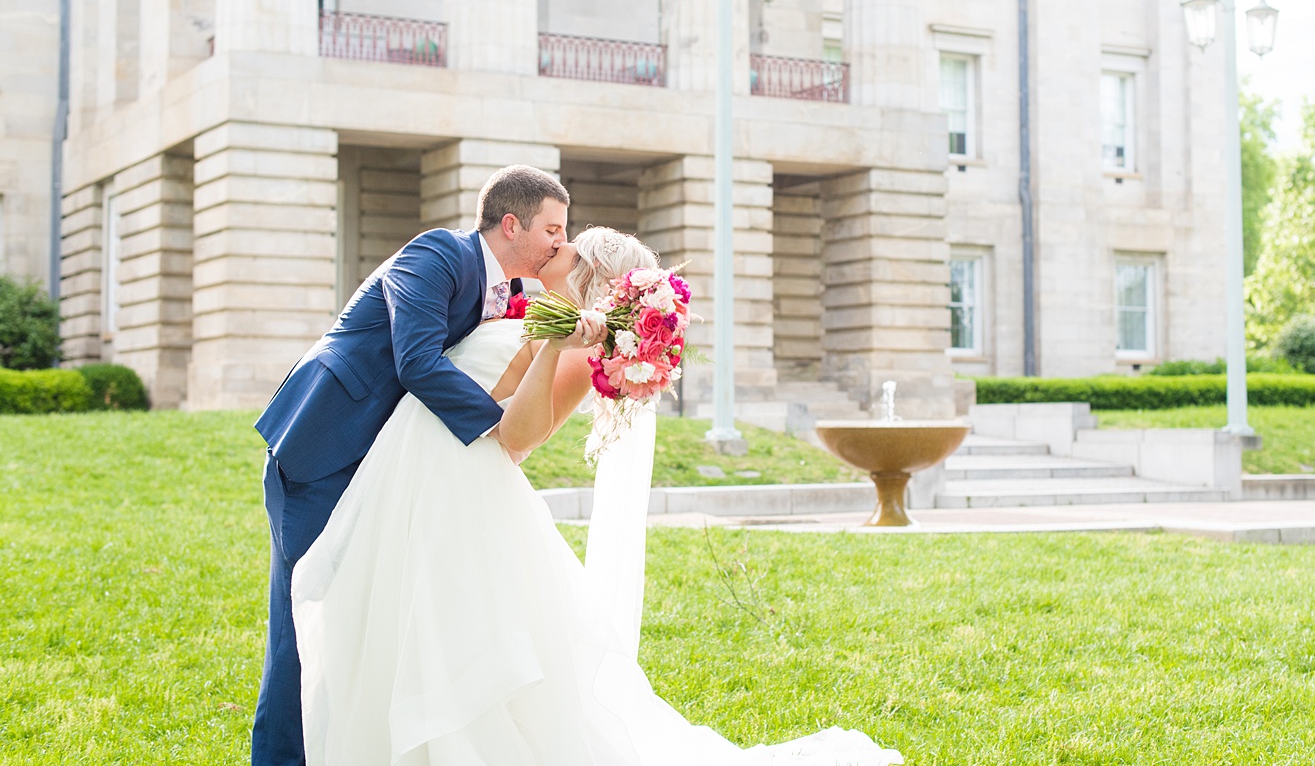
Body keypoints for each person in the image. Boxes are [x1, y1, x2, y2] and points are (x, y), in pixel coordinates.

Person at [291, 226, 904, 766]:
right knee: (395, 627)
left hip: (456, 481)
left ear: (590, 274)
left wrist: (557, 343)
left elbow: (521, 436)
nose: (555, 245)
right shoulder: (532, 306)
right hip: (419, 468)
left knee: (447, 645)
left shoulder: (578, 345)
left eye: (568, 245)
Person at [250, 165, 571, 766]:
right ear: (511, 224)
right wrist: (496, 428)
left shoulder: (504, 289)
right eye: (553, 228)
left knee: (361, 621)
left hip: (381, 462)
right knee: (305, 615)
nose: (562, 241)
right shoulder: (437, 254)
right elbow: (416, 361)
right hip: (323, 444)